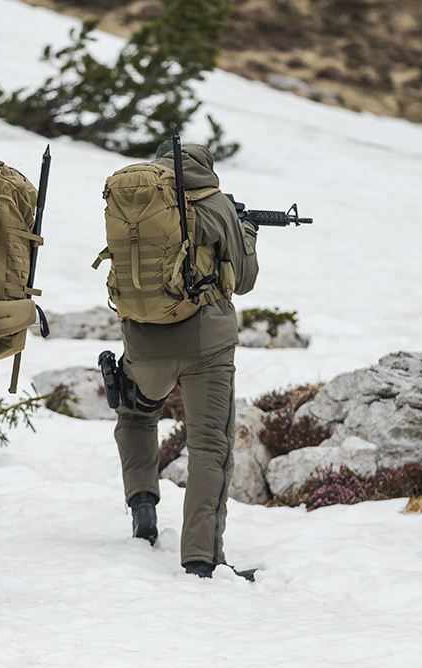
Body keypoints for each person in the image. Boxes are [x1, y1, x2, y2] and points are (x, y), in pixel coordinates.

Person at [113, 142, 259, 578]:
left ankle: (143, 506)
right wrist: (246, 231)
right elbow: (245, 278)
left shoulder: (134, 201)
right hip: (205, 347)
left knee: (135, 414)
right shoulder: (215, 204)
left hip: (142, 340)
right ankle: (201, 558)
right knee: (210, 446)